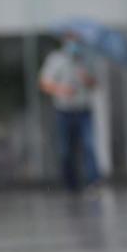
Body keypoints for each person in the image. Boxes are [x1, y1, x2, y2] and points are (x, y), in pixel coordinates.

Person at [39, 35, 100, 192]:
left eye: (77, 40)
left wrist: (87, 79)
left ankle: (93, 182)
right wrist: (62, 89)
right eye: (71, 40)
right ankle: (71, 184)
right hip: (64, 111)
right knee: (66, 150)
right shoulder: (56, 59)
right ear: (65, 41)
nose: (74, 44)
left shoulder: (86, 59)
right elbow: (44, 83)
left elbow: (95, 84)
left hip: (83, 110)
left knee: (89, 146)